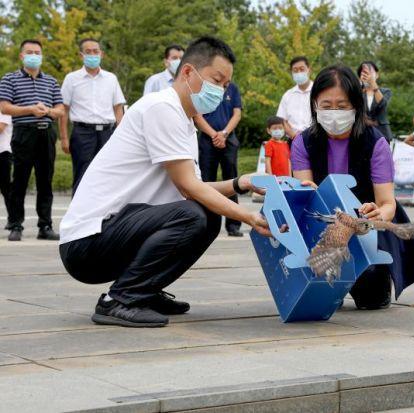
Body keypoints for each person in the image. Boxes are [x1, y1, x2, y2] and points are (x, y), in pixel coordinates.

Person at [58, 36, 271, 328]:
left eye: (225, 86)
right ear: (187, 73)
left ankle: (144, 290)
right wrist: (248, 216)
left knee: (206, 213)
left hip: (115, 230)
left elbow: (194, 185)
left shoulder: (184, 119)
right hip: (86, 242)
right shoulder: (161, 108)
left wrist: (240, 183)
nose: (220, 92)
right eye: (216, 80)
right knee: (193, 214)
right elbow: (188, 188)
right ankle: (121, 299)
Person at [291, 64, 414, 310]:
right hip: (322, 227)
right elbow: (302, 191)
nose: (334, 112)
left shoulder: (375, 142)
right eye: (326, 105)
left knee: (372, 298)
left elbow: (387, 203)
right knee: (317, 296)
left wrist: (376, 215)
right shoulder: (303, 142)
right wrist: (309, 193)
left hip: (367, 229)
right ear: (314, 106)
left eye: (342, 106)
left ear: (356, 105)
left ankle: (375, 276)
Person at [0, 39, 64, 242]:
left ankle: (45, 226)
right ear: (21, 56)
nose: (34, 56)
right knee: (20, 180)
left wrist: (48, 111)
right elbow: (5, 107)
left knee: (45, 181)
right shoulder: (10, 79)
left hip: (46, 133)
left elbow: (61, 110)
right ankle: (16, 224)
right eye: (30, 52)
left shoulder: (51, 81)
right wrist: (30, 109)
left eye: (37, 52)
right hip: (23, 133)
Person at [60, 38, 126, 193]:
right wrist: (64, 138)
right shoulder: (72, 78)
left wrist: (121, 133)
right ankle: (78, 215)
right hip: (82, 133)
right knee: (82, 175)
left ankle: (105, 215)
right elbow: (64, 109)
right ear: (81, 55)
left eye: (95, 51)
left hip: (107, 133)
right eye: (88, 52)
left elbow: (118, 108)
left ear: (101, 54)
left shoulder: (111, 78)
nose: (92, 55)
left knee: (108, 175)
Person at [193, 81, 243, 237]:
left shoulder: (233, 88)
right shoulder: (203, 87)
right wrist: (214, 135)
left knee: (232, 181)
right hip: (207, 140)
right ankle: (206, 223)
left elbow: (237, 114)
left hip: (228, 139)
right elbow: (197, 116)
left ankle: (233, 224)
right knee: (206, 181)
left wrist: (224, 133)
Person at [277, 56, 313, 139]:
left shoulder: (319, 91)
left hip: (316, 139)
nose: (299, 72)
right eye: (295, 70)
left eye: (302, 69)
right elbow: (282, 120)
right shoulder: (287, 95)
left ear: (309, 70)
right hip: (293, 140)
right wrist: (294, 136)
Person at [357, 61, 393, 141]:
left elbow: (382, 105)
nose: (367, 75)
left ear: (377, 75)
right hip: (362, 134)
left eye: (370, 72)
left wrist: (373, 84)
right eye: (364, 72)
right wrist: (360, 86)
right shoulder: (357, 92)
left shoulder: (386, 91)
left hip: (382, 133)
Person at [0, 109, 10, 219]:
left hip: (3, 152)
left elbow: (1, 127)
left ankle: (13, 219)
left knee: (6, 189)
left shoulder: (3, 108)